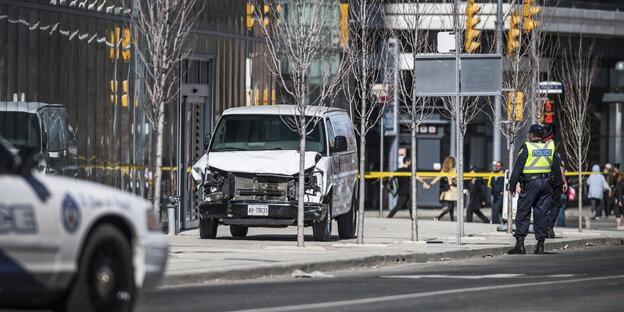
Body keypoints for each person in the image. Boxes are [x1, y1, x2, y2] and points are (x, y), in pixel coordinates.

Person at [507, 124, 562, 255]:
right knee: (542, 213)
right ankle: (540, 245)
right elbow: (557, 169)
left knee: (523, 211)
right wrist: (557, 188)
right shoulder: (549, 148)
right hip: (546, 184)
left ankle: (520, 245)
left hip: (531, 183)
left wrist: (512, 184)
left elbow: (518, 167)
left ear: (531, 135)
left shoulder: (528, 147)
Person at [542, 130, 568, 238]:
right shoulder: (546, 152)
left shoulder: (555, 152)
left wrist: (564, 181)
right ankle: (545, 227)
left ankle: (548, 227)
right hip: (548, 182)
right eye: (552, 140)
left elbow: (561, 168)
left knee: (555, 205)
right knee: (547, 205)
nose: (554, 142)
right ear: (548, 140)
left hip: (555, 183)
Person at [430, 156, 457, 221]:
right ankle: (438, 217)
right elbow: (438, 177)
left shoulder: (444, 170)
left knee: (451, 206)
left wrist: (431, 184)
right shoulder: (453, 170)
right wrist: (430, 184)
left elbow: (437, 178)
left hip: (449, 190)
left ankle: (452, 220)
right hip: (452, 190)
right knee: (450, 206)